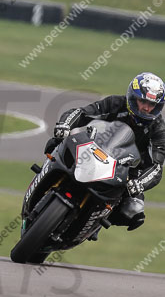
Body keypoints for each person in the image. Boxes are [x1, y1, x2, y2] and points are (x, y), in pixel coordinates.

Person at [45, 71, 165, 233]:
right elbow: (82, 113)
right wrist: (64, 125)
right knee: (58, 143)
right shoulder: (116, 103)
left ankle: (94, 224)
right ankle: (46, 177)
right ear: (132, 97)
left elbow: (157, 166)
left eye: (152, 105)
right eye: (143, 101)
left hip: (127, 172)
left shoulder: (159, 129)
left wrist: (139, 183)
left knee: (134, 211)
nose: (146, 108)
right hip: (95, 150)